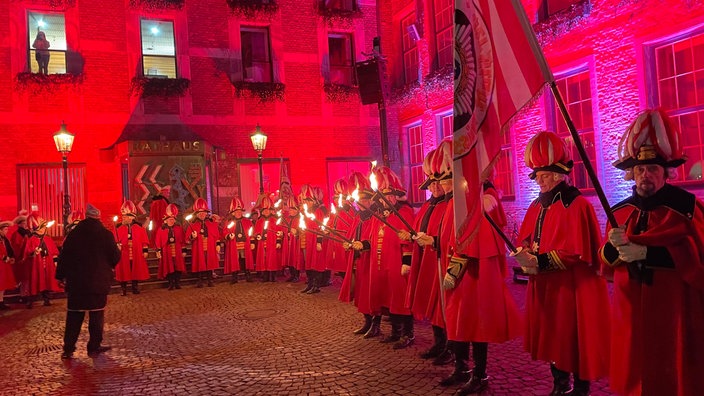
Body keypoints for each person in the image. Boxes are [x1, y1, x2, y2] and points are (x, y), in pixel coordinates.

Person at [600, 109, 704, 396]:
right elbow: (607, 264)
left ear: (666, 173)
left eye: (653, 169)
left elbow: (699, 260)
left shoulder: (686, 208)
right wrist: (614, 246)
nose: (645, 175)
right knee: (633, 369)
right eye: (640, 170)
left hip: (673, 311)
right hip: (630, 311)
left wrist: (647, 254)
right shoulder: (620, 211)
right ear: (631, 173)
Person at [514, 131, 610, 396]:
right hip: (546, 285)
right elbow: (526, 238)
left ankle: (580, 388)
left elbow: (579, 251)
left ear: (558, 175)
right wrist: (522, 253)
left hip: (572, 288)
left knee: (574, 336)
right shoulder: (537, 205)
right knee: (554, 336)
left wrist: (540, 260)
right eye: (537, 176)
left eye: (543, 176)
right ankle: (559, 384)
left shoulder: (577, 205)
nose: (538, 182)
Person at [56, 204, 121, 360]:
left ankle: (68, 348)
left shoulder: (73, 235)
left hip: (76, 283)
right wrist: (107, 267)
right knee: (96, 315)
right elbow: (115, 257)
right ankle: (94, 346)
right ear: (98, 217)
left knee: (74, 317)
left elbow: (64, 257)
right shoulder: (106, 234)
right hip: (98, 282)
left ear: (86, 217)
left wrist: (60, 276)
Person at [401, 148, 448, 360]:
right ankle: (439, 343)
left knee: (443, 307)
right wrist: (412, 236)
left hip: (442, 261)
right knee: (432, 306)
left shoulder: (450, 205)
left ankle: (450, 347)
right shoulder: (429, 204)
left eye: (439, 182)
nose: (435, 187)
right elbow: (420, 228)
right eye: (432, 183)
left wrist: (434, 241)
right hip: (427, 260)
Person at [23, 213, 61, 308]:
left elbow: (54, 252)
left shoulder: (47, 239)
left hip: (46, 265)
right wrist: (33, 253)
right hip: (36, 265)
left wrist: (55, 263)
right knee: (34, 281)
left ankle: (46, 299)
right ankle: (30, 301)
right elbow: (27, 254)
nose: (44, 228)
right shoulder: (31, 240)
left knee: (47, 281)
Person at [115, 200, 150, 295]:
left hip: (136, 253)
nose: (123, 218)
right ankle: (124, 289)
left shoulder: (139, 228)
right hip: (124, 253)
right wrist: (116, 246)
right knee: (123, 271)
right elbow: (115, 241)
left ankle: (135, 287)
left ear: (131, 218)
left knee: (135, 270)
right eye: (123, 216)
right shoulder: (118, 228)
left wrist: (145, 251)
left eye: (125, 217)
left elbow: (144, 241)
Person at [185, 198, 221, 287]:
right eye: (200, 213)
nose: (202, 214)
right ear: (196, 214)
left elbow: (216, 235)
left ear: (206, 213)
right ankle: (200, 280)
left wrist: (218, 245)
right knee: (199, 263)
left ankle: (210, 280)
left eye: (203, 212)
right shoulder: (192, 225)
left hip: (209, 247)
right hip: (198, 247)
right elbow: (187, 239)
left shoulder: (211, 224)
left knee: (210, 263)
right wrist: (192, 236)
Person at [222, 197, 254, 283]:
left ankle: (248, 275)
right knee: (234, 260)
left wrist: (252, 241)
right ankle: (234, 277)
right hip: (234, 244)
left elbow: (251, 232)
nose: (238, 213)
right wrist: (228, 236)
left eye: (240, 211)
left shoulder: (247, 221)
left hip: (245, 244)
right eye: (236, 211)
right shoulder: (229, 222)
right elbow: (225, 232)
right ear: (233, 213)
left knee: (244, 259)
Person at [155, 204, 186, 290]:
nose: (171, 221)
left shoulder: (178, 228)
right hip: (167, 251)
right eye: (169, 219)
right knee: (168, 267)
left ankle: (177, 282)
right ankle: (171, 283)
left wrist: (184, 250)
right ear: (166, 220)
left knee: (178, 267)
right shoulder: (161, 229)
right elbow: (158, 241)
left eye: (172, 219)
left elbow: (182, 240)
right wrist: (158, 251)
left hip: (177, 250)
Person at [0, 220, 17, 310]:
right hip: (1, 263)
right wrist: (5, 258)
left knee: (3, 284)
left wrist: (11, 257)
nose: (7, 231)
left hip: (4, 264)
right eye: (5, 229)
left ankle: (1, 301)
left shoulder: (4, 239)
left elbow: (9, 249)